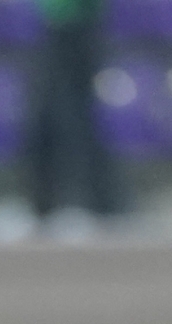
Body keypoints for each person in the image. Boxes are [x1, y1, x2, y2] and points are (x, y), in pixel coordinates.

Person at [26, 0, 122, 223]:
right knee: (48, 118)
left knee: (73, 120)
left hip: (77, 28)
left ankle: (83, 203)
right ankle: (48, 207)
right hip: (55, 27)